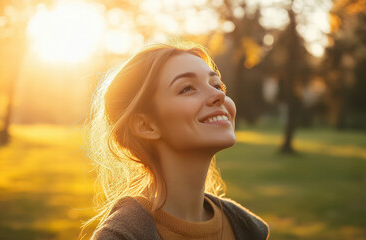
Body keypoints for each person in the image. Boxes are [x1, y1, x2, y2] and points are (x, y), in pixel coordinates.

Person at [84, 42, 269, 240]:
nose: (218, 95)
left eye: (217, 85)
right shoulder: (120, 236)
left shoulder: (248, 229)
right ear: (146, 126)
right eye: (188, 88)